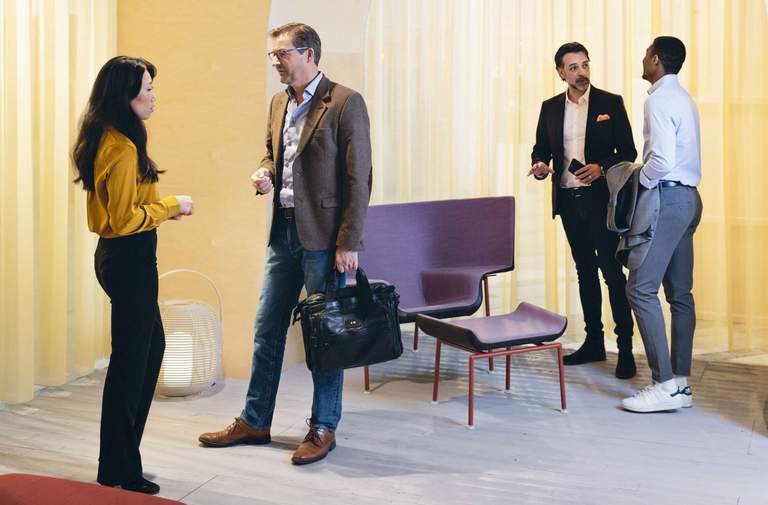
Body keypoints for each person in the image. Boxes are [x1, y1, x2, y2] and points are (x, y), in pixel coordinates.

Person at [198, 22, 372, 465]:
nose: (276, 61)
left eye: (282, 54)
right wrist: (265, 173)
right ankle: (255, 420)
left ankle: (323, 427)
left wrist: (348, 241)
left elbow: (359, 178)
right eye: (273, 55)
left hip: (325, 239)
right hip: (284, 232)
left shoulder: (346, 102)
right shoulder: (278, 102)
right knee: (267, 328)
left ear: (309, 54)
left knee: (325, 336)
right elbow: (272, 154)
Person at [72, 56, 194, 495]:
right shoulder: (120, 147)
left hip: (125, 259)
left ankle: (122, 459)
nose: (153, 96)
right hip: (127, 260)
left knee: (148, 351)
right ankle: (118, 469)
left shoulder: (110, 136)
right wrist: (171, 205)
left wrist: (158, 212)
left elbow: (119, 215)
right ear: (125, 95)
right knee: (130, 364)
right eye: (147, 88)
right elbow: (122, 220)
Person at [529, 42, 637, 379]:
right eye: (573, 67)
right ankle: (593, 342)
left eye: (585, 65)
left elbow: (629, 151)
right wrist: (539, 164)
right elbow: (541, 148)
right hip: (569, 202)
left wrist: (601, 167)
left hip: (602, 203)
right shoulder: (549, 108)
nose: (581, 72)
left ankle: (626, 349)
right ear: (561, 72)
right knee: (585, 271)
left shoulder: (610, 103)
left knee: (611, 273)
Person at [622, 36, 702, 413]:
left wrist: (641, 179)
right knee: (680, 294)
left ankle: (663, 384)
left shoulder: (657, 99)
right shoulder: (683, 98)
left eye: (645, 53)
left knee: (639, 288)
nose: (642, 58)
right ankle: (681, 384)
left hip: (668, 199)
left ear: (655, 60)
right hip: (689, 199)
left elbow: (662, 161)